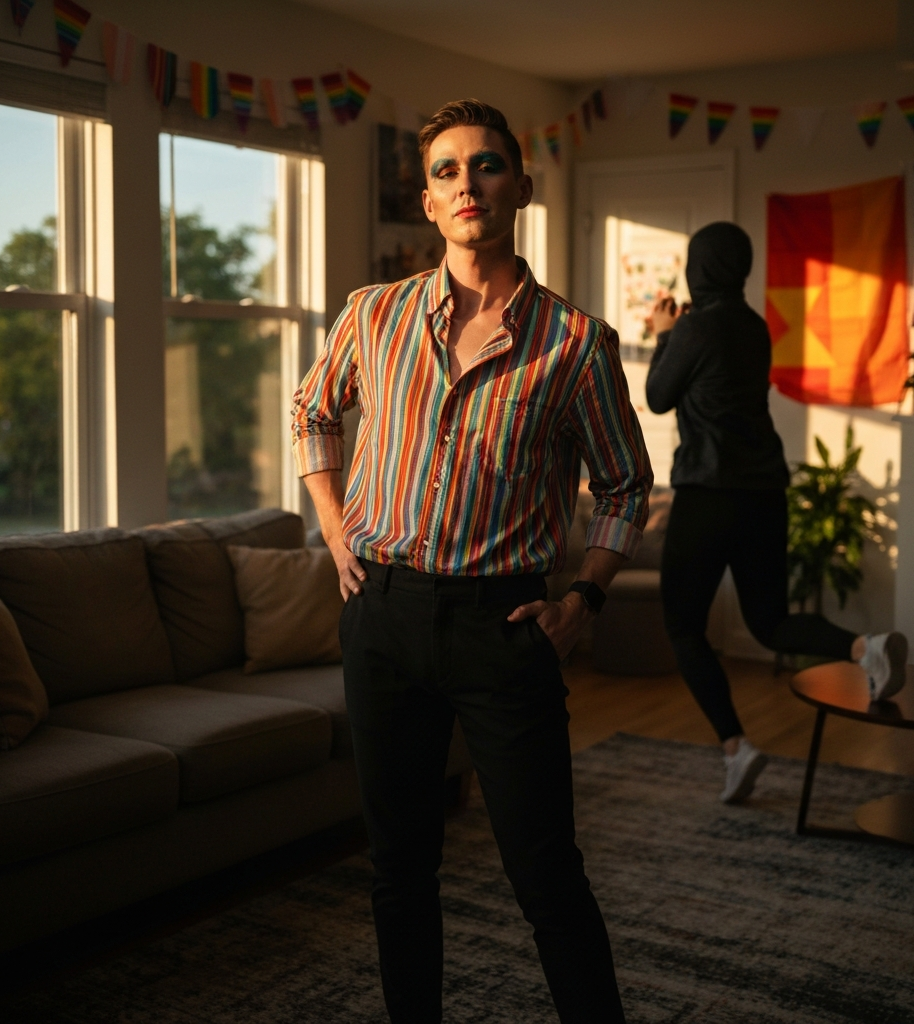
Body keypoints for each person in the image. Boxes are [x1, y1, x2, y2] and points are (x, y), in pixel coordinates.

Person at [292, 99, 651, 1024]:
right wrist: (335, 527)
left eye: (486, 165)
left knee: (545, 873)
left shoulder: (575, 343)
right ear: (427, 200)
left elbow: (623, 485)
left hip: (506, 627)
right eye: (448, 170)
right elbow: (312, 412)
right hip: (381, 613)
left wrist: (587, 597)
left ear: (520, 187)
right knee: (398, 866)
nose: (467, 183)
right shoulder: (372, 315)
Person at [646, 221, 907, 805]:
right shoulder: (754, 326)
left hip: (709, 494)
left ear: (699, 268)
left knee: (684, 627)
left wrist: (665, 333)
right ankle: (867, 648)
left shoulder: (693, 328)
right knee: (770, 620)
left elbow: (660, 396)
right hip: (764, 492)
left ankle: (736, 747)